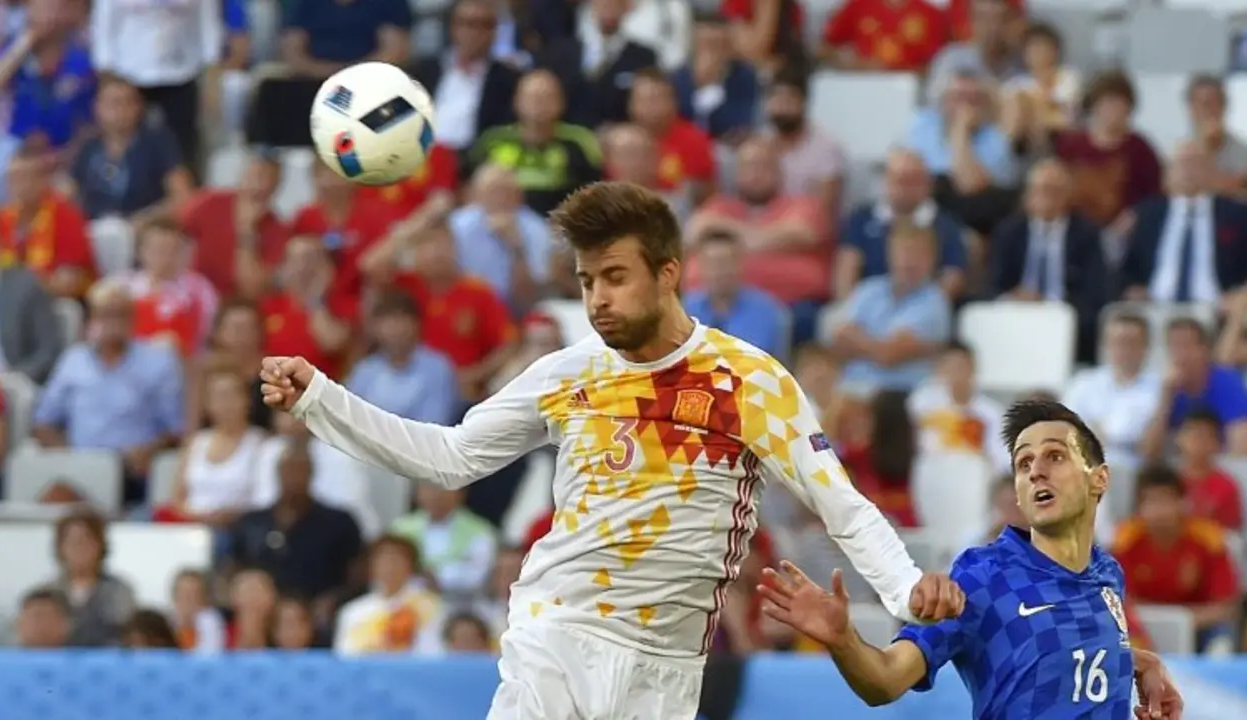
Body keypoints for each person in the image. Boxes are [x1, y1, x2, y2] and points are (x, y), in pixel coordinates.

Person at [259, 181, 963, 719]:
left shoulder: (747, 381)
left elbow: (842, 506)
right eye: (586, 280)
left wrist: (905, 590)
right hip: (556, 633)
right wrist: (321, 398)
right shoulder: (569, 373)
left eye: (615, 277)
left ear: (669, 273)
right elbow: (451, 457)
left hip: (666, 666)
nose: (597, 299)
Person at [757, 400, 1184, 720]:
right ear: (1019, 494)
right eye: (1023, 463)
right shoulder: (983, 577)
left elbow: (1064, 646)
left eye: (1055, 456)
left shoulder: (1107, 573)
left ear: (1100, 478)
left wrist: (1140, 662)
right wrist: (843, 639)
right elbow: (885, 680)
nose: (1036, 471)